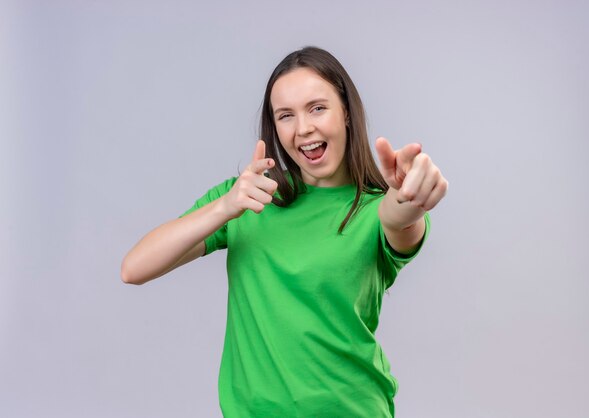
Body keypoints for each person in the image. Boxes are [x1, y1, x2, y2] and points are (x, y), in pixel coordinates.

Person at [121, 46, 448, 417]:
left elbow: (399, 218)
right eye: (286, 115)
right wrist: (225, 207)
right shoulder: (248, 198)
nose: (304, 128)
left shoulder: (374, 209)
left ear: (346, 113)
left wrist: (410, 197)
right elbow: (134, 268)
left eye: (317, 108)